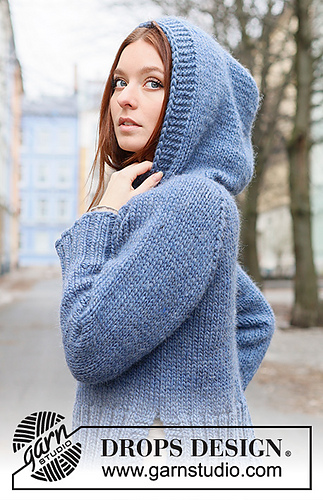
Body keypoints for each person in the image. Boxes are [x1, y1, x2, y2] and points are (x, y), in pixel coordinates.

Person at [55, 17, 275, 466]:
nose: (124, 98)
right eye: (119, 81)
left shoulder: (193, 202)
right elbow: (253, 320)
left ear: (192, 108)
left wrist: (99, 218)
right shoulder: (162, 202)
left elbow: (86, 346)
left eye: (152, 83)